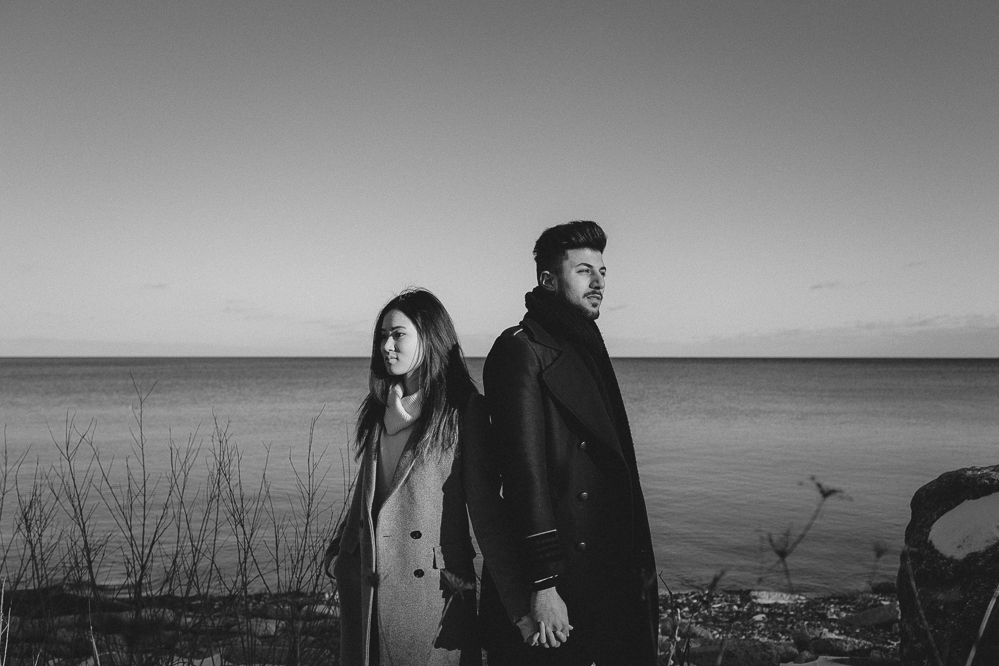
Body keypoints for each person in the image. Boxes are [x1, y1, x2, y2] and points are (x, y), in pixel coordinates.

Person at [471, 221, 659, 665]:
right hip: (560, 580)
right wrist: (543, 585)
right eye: (583, 270)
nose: (598, 282)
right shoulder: (520, 349)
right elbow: (524, 476)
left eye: (603, 271)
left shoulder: (585, 346)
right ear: (548, 280)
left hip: (603, 569)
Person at [323, 288, 484, 666]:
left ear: (429, 338)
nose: (386, 345)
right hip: (371, 588)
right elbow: (368, 501)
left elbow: (488, 513)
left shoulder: (462, 411)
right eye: (382, 336)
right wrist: (338, 557)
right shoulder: (379, 412)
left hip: (433, 597)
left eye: (398, 334)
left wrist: (530, 591)